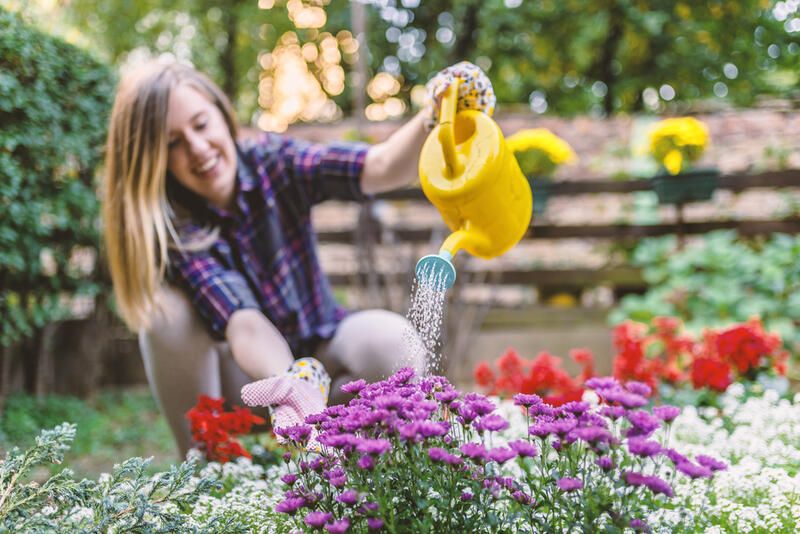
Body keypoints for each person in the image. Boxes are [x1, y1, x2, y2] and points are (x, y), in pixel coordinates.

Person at [102, 59, 495, 457]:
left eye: (201, 125)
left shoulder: (275, 162)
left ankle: (366, 455)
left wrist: (435, 114)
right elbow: (245, 323)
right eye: (173, 143)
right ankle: (204, 460)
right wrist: (290, 384)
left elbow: (378, 167)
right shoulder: (174, 229)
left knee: (392, 341)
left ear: (222, 116)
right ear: (155, 159)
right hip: (250, 384)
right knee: (164, 315)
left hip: (325, 345)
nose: (198, 149)